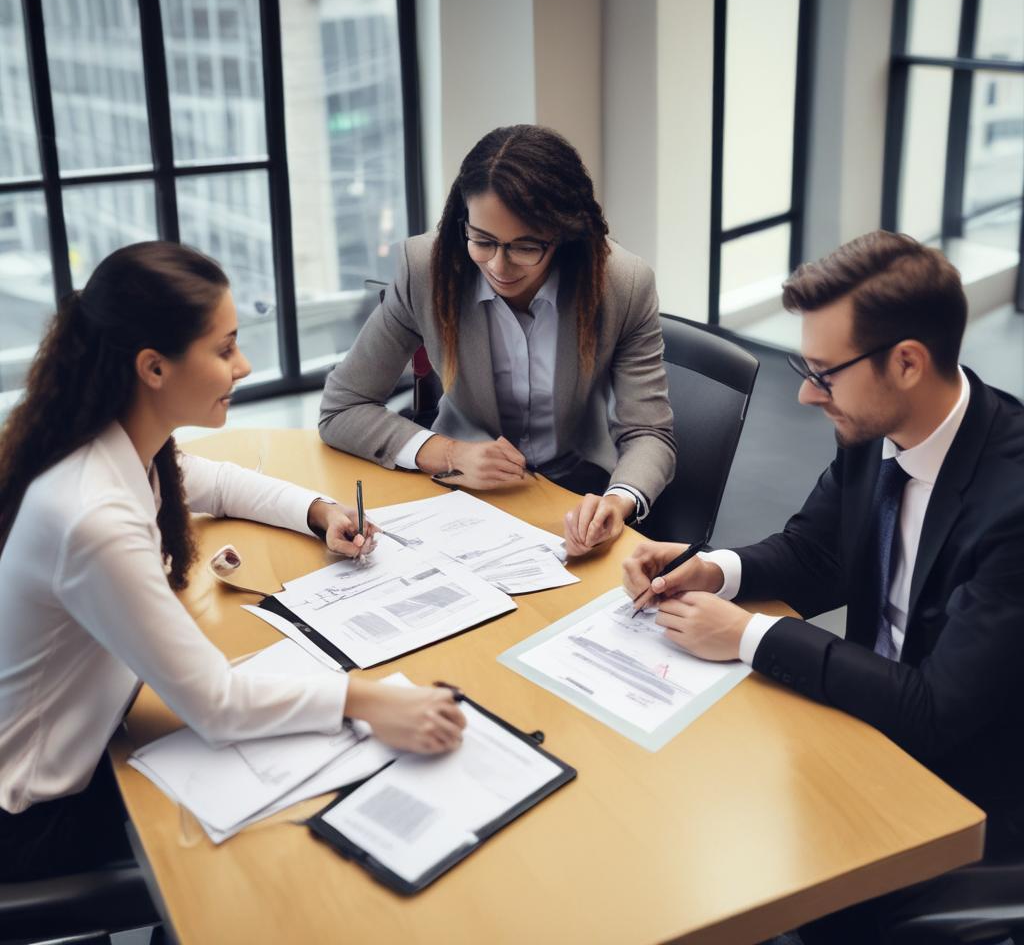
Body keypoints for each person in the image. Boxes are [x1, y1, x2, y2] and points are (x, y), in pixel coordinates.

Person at [0, 242, 466, 883]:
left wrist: (320, 511)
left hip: (100, 732)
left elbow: (211, 481)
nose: (244, 366)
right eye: (224, 350)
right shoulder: (91, 515)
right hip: (34, 815)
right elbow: (216, 705)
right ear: (153, 368)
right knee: (286, 863)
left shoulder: (115, 443)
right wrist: (372, 701)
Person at [622, 231, 1024, 942]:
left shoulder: (1014, 502)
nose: (806, 395)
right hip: (867, 721)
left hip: (972, 778)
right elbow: (817, 554)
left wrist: (747, 633)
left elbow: (937, 711)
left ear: (906, 363)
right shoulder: (875, 428)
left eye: (824, 373)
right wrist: (714, 569)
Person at [319, 125, 676, 557]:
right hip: (458, 495)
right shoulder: (426, 270)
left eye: (525, 247)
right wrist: (448, 452)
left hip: (572, 495)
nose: (499, 265)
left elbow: (649, 432)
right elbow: (343, 407)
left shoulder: (623, 284)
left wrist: (619, 502)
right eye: (483, 241)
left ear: (563, 234)